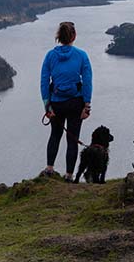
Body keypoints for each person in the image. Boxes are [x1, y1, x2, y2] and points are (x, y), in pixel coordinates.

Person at [40, 21, 92, 182]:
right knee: (72, 139)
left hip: (56, 102)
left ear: (58, 37)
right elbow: (88, 81)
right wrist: (87, 105)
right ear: (74, 36)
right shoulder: (82, 55)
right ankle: (69, 176)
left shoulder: (50, 56)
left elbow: (44, 81)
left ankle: (49, 168)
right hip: (76, 103)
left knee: (55, 135)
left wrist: (47, 105)